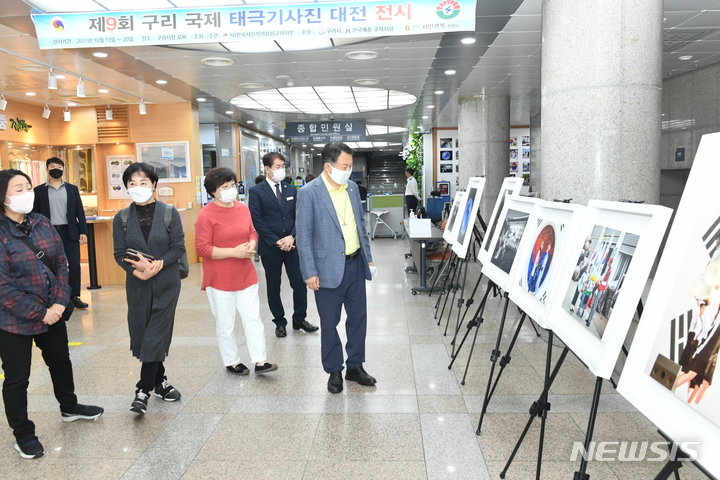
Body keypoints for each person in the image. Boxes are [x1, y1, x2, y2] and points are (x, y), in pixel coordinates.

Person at [0, 169, 103, 459]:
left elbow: (61, 263)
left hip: (52, 311)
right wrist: (40, 313)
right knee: (17, 377)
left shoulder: (41, 222)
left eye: (27, 187)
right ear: (3, 197)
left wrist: (59, 304)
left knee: (60, 361)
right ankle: (23, 433)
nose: (26, 193)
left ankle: (69, 407)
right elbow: (3, 288)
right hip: (13, 319)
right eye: (18, 189)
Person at [296, 142, 376, 394]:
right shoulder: (309, 192)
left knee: (358, 319)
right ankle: (334, 370)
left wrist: (369, 258)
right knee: (329, 323)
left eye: (350, 165)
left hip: (354, 266)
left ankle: (355, 366)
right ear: (328, 167)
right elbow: (304, 234)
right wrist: (309, 271)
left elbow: (360, 226)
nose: (349, 171)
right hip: (326, 269)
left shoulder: (352, 188)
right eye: (345, 166)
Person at [112, 163, 186, 415]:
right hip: (137, 285)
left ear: (154, 184)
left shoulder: (169, 213)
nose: (138, 187)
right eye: (132, 183)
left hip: (166, 283)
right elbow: (119, 253)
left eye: (143, 182)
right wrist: (138, 272)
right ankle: (160, 381)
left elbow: (178, 248)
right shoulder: (121, 218)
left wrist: (156, 266)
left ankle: (142, 389)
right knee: (143, 333)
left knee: (156, 333)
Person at [195, 168, 278, 378]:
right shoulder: (206, 214)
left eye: (232, 185)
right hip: (220, 277)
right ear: (213, 191)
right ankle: (232, 361)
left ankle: (260, 360)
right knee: (226, 323)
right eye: (225, 187)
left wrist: (251, 244)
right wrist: (234, 252)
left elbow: (252, 231)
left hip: (245, 274)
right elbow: (202, 249)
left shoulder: (242, 208)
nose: (231, 190)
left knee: (253, 318)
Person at [249, 152, 318, 338]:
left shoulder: (290, 189)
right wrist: (276, 240)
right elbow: (257, 220)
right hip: (271, 247)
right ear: (267, 169)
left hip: (292, 245)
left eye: (283, 166)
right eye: (277, 166)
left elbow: (299, 215)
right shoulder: (256, 191)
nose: (281, 170)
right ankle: (279, 322)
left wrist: (292, 236)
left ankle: (299, 319)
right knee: (274, 286)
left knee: (299, 283)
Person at [32, 157, 89, 309]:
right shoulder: (39, 190)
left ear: (63, 169)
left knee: (75, 264)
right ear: (47, 169)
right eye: (52, 166)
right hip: (48, 234)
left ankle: (74, 296)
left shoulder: (72, 189)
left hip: (70, 232)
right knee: (52, 266)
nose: (56, 168)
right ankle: (55, 297)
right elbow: (34, 214)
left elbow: (79, 211)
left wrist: (83, 231)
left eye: (59, 166)